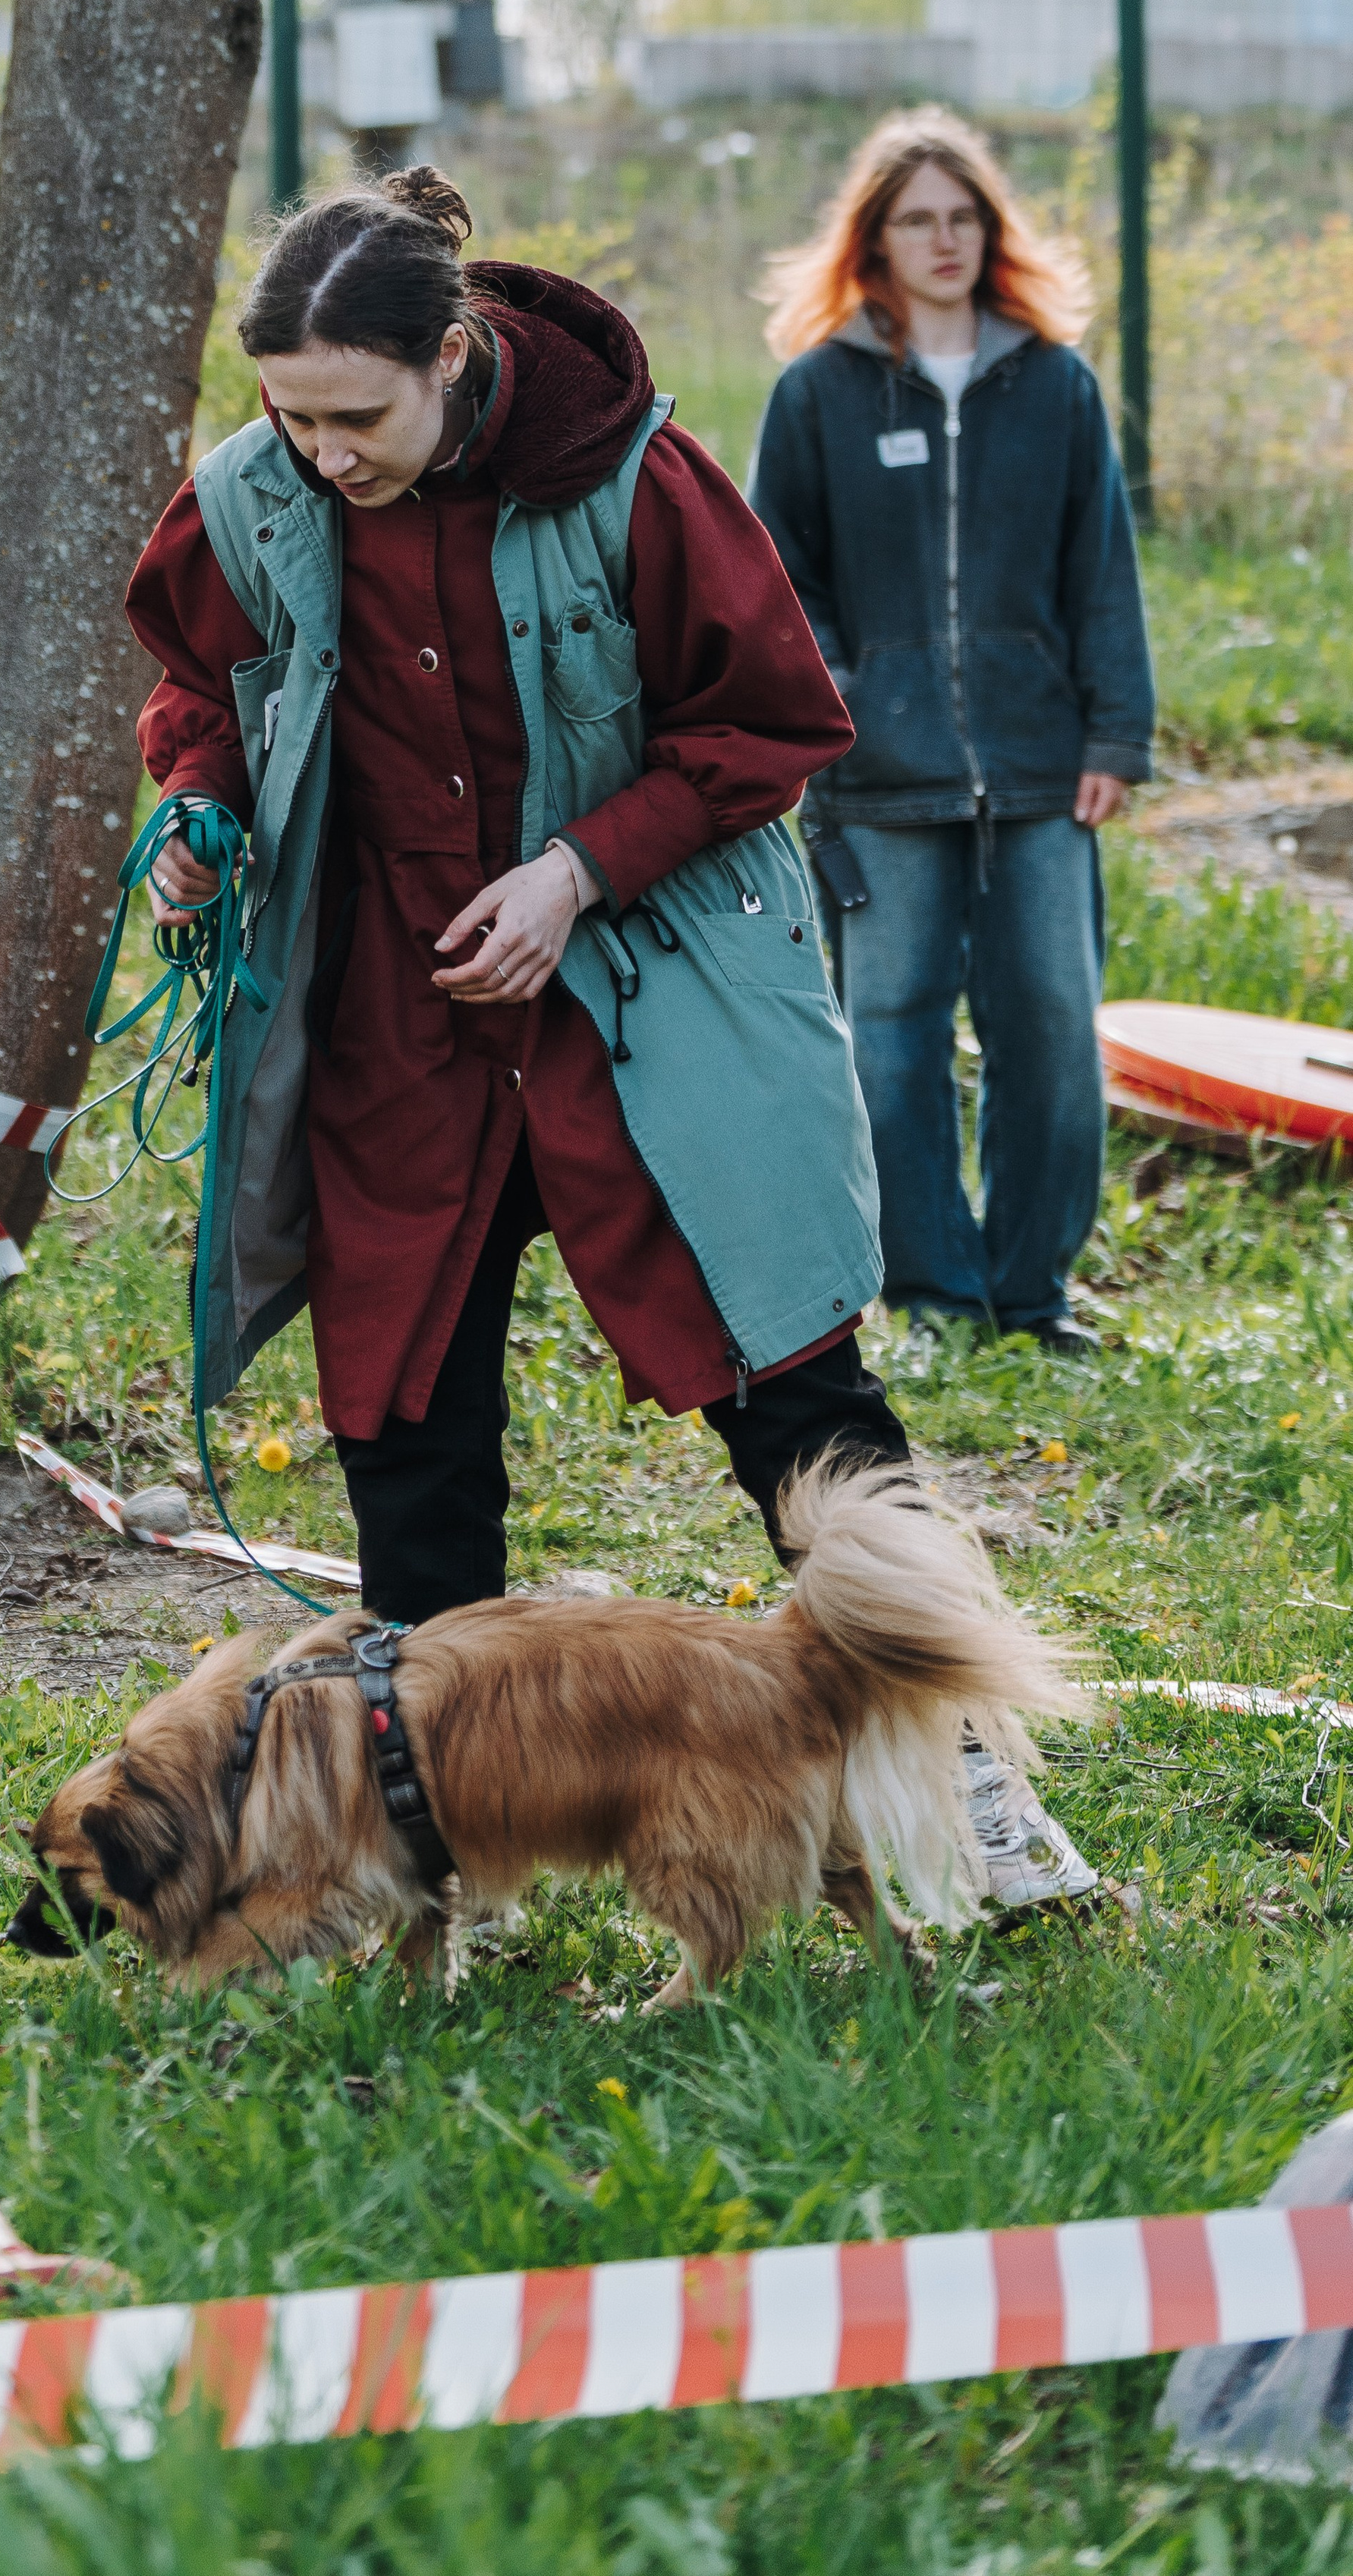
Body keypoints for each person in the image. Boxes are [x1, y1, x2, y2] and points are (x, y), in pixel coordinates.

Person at [124, 163, 1095, 1911]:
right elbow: (203, 684)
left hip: (651, 991)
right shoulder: (253, 496)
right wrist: (199, 809)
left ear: (449, 355)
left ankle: (973, 1785)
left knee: (793, 1388)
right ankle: (436, 1845)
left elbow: (773, 721)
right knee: (404, 1428)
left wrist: (573, 871)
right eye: (289, 417)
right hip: (394, 1027)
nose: (321, 456)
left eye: (355, 418)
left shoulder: (637, 476)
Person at [749, 108, 1154, 1360]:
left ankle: (1034, 1294)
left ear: (991, 230)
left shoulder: (1057, 385)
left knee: (1054, 1034)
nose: (944, 239)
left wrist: (1116, 733)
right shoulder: (818, 391)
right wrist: (841, 702)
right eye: (917, 219)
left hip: (1041, 770)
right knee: (890, 1041)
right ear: (873, 239)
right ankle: (931, 1294)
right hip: (878, 782)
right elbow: (779, 577)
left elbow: (1103, 570)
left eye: (964, 216)